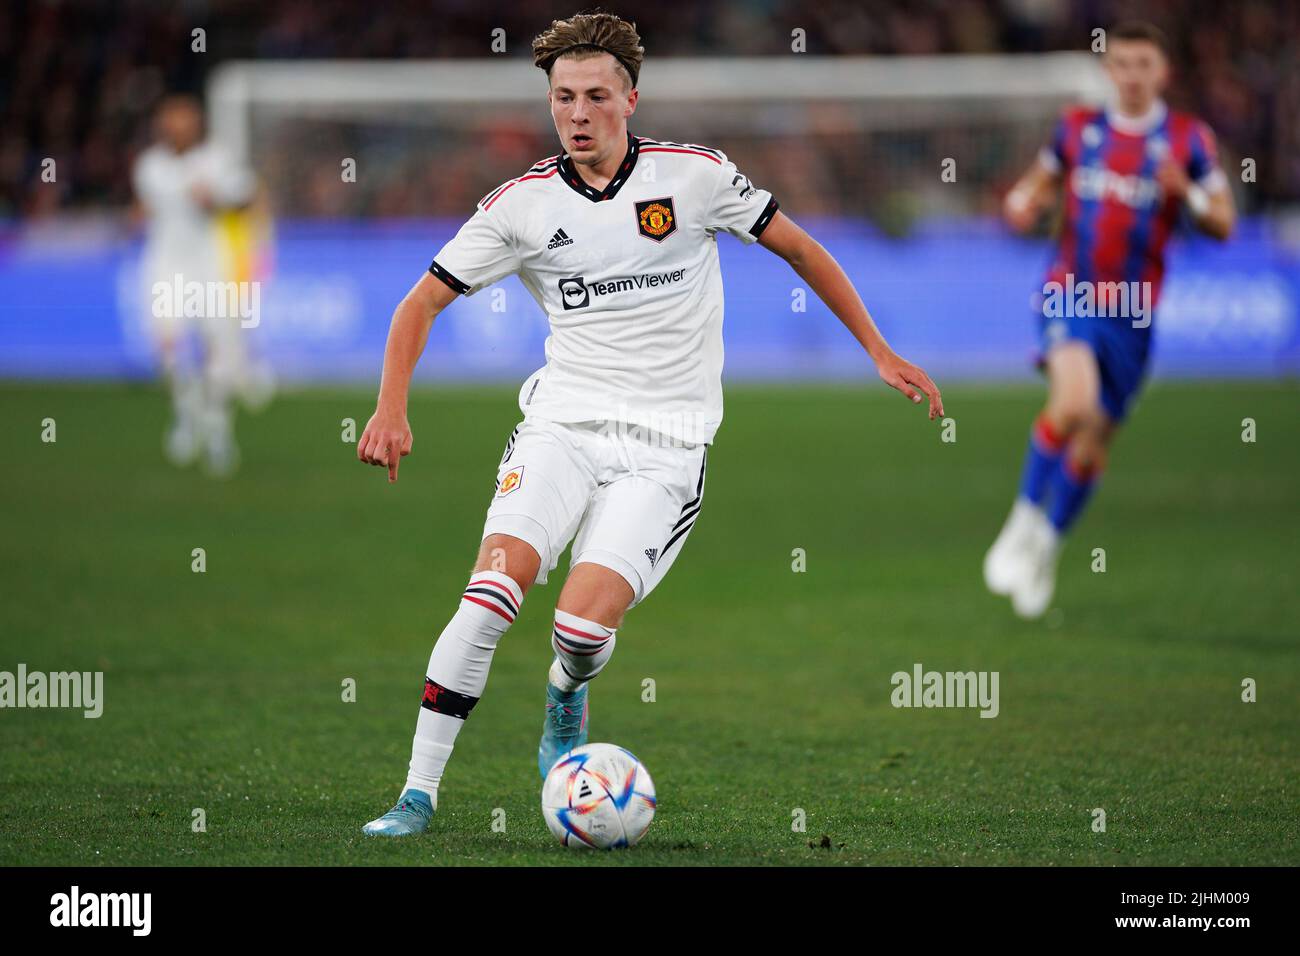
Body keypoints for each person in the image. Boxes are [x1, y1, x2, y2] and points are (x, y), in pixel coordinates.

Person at [357, 12, 943, 836]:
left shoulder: (695, 178)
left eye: (597, 95)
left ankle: (567, 691)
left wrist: (879, 351)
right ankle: (416, 795)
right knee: (489, 597)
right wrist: (391, 406)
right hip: (561, 426)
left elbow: (803, 251)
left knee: (580, 627)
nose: (579, 113)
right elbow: (420, 303)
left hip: (665, 448)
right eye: (564, 98)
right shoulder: (519, 207)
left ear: (630, 98)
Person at [984, 21, 1234, 619]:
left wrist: (1190, 195)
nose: (1131, 75)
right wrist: (1022, 203)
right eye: (1121, 63)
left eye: (1143, 64)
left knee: (1094, 442)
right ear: (1108, 70)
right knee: (1072, 405)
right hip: (1070, 293)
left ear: (1162, 72)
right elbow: (1037, 185)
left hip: (1133, 313)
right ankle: (1021, 522)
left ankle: (1046, 545)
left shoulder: (1187, 141)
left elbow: (1224, 222)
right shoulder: (1078, 130)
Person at [132, 95, 262, 477]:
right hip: (166, 265)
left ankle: (218, 428)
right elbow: (147, 208)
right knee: (170, 352)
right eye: (172, 120)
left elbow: (246, 198)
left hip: (208, 266)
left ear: (196, 123)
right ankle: (187, 416)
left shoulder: (217, 159)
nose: (178, 127)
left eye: (185, 120)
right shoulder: (149, 166)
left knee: (219, 351)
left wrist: (217, 200)